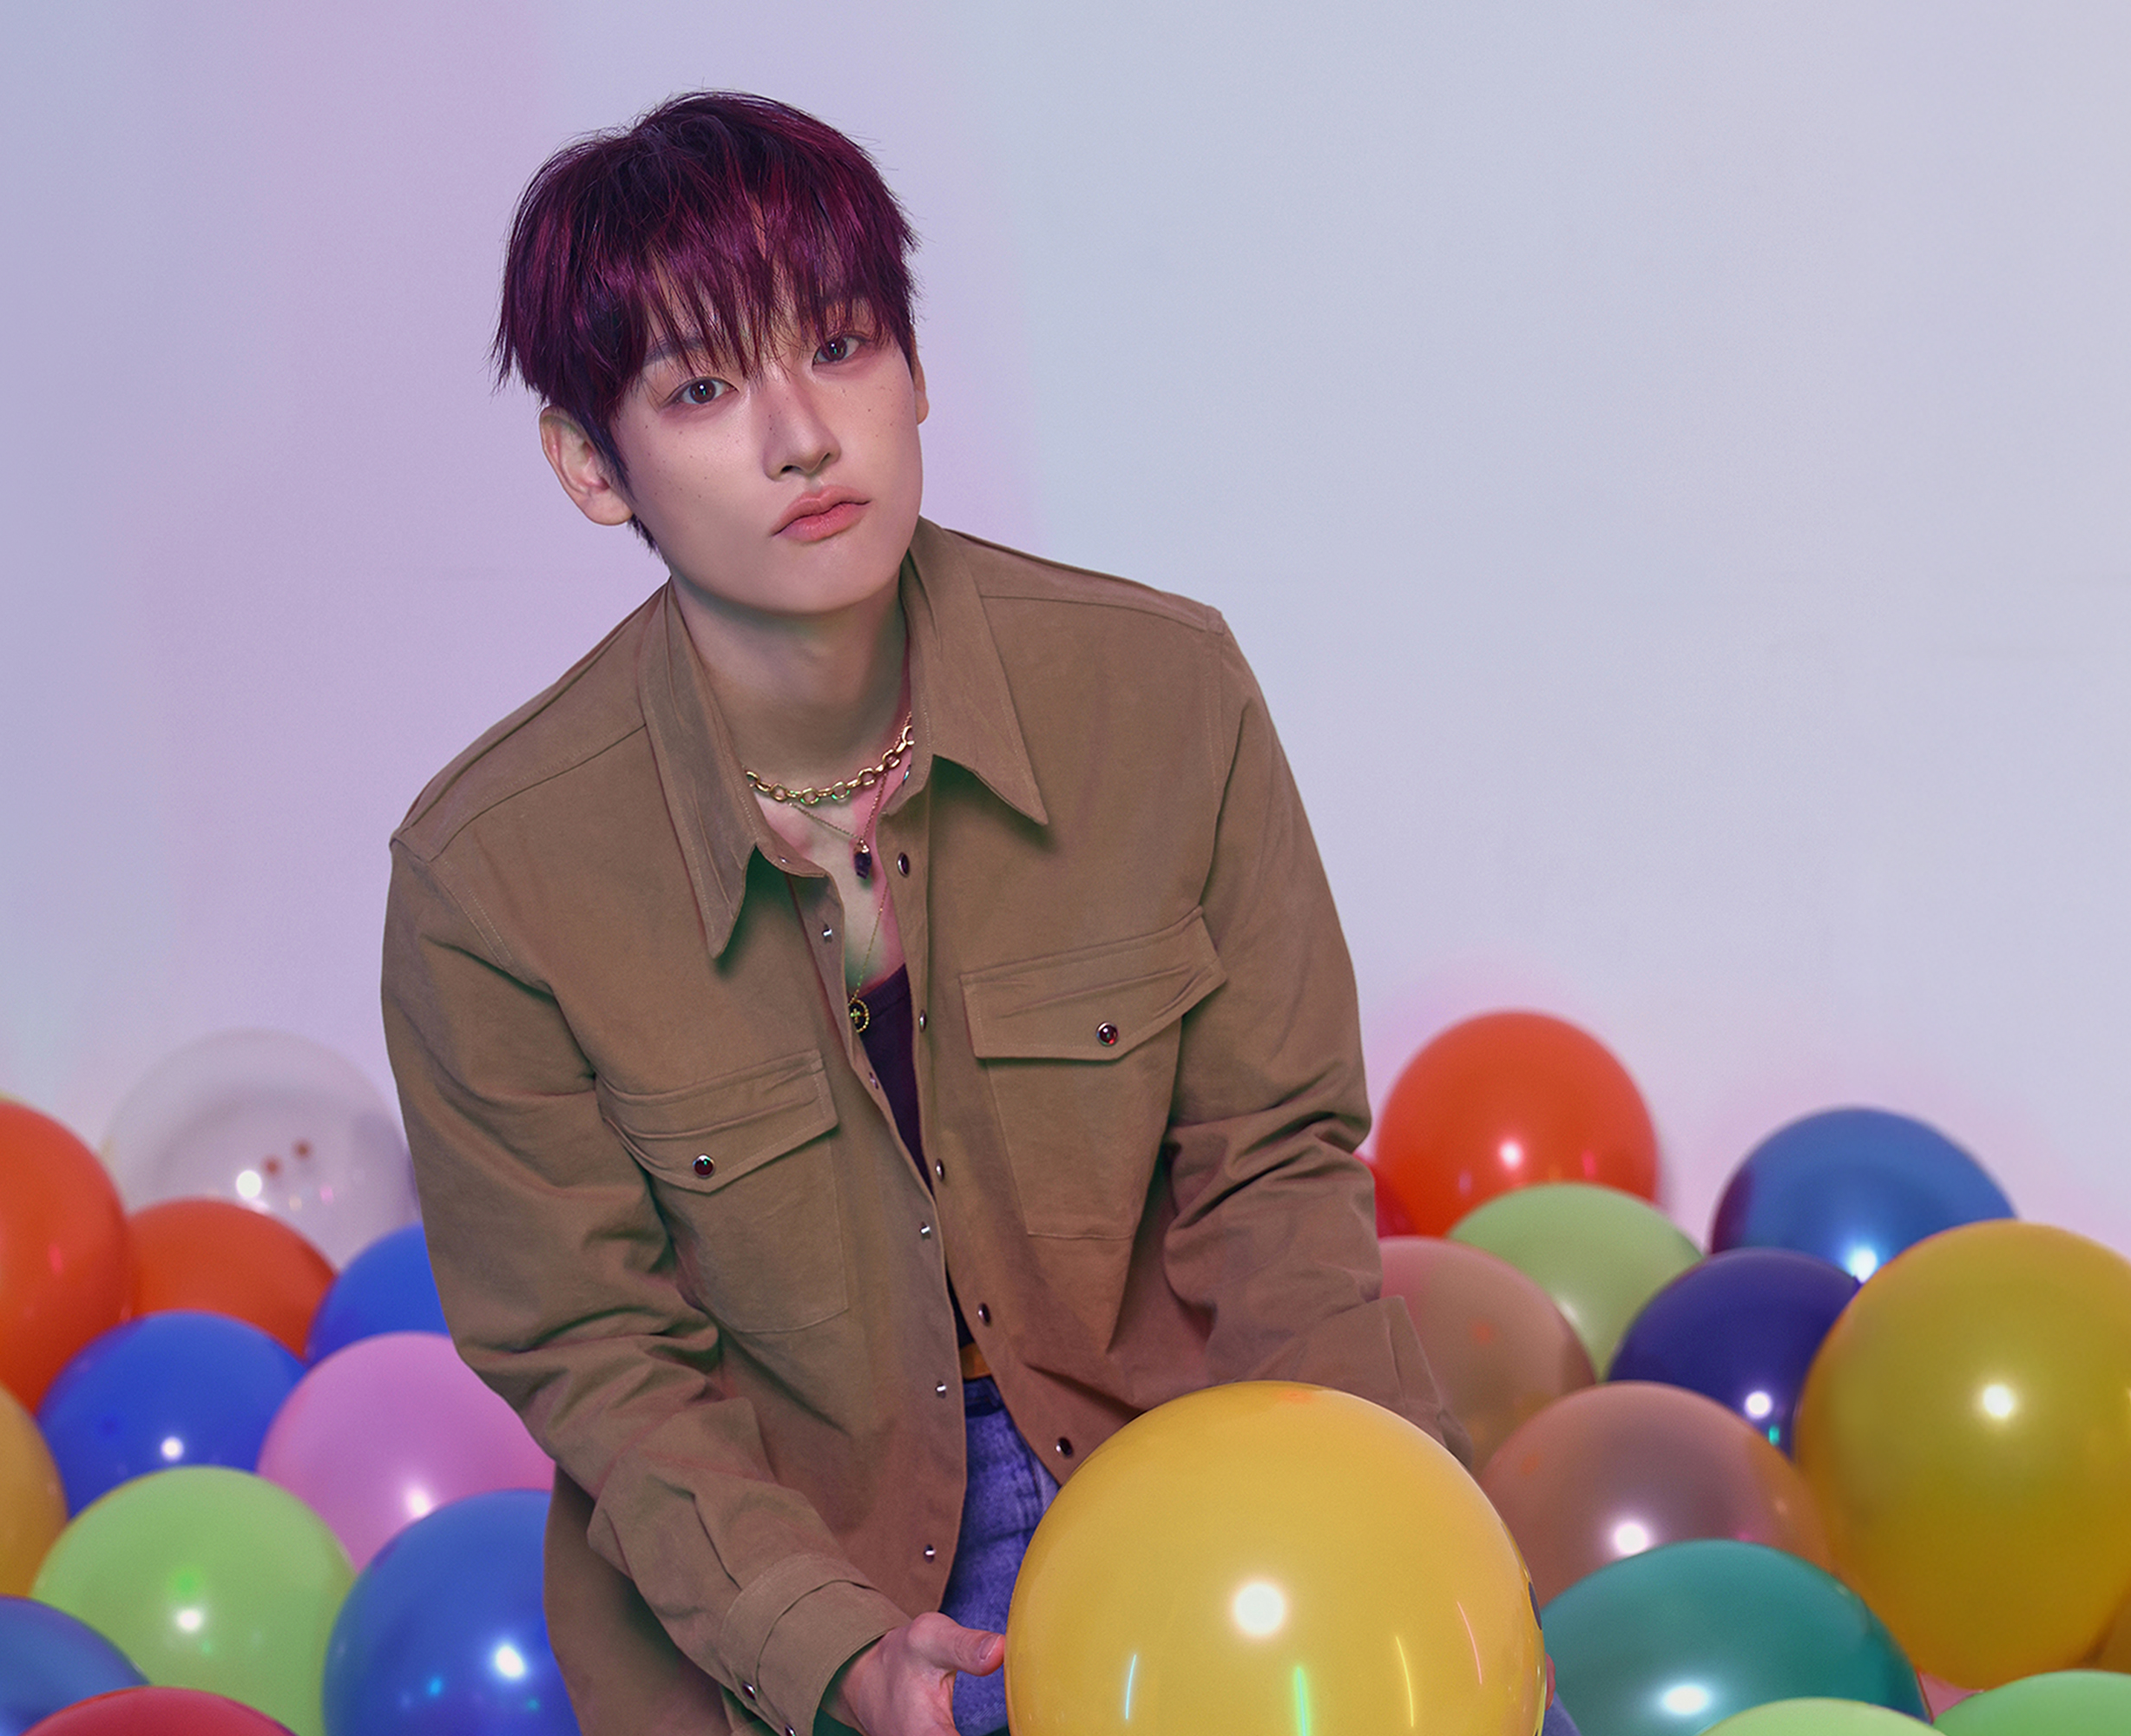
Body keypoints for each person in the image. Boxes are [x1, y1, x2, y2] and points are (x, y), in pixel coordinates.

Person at [381, 91, 1554, 1736]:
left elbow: (1273, 1174)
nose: (802, 436)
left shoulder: (1162, 692)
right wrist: (831, 1650)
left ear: (918, 370)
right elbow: (605, 1367)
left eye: (842, 346)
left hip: (1191, 1476)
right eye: (704, 389)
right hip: (801, 1568)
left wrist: (1377, 1530)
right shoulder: (491, 879)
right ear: (591, 462)